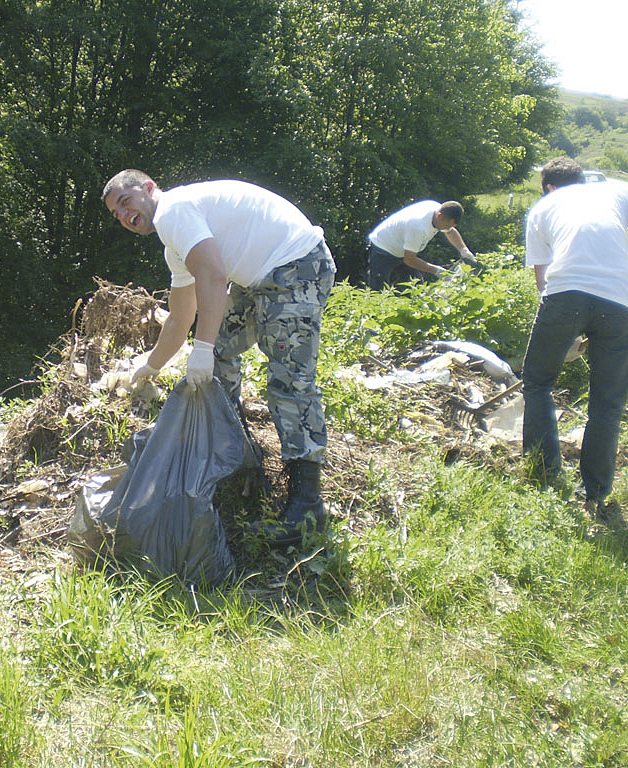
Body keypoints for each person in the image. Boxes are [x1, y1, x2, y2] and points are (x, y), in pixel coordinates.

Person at [102, 170, 336, 545]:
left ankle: (307, 506)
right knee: (223, 347)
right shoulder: (173, 242)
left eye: (126, 201)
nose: (125, 215)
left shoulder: (172, 211)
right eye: (117, 214)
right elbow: (181, 317)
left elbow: (212, 274)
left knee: (289, 381)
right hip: (261, 278)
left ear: (148, 188)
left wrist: (203, 351)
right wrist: (152, 366)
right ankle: (233, 447)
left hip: (296, 268)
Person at [522, 157, 628, 515]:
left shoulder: (542, 208)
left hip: (565, 293)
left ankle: (544, 474)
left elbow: (543, 279)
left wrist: (563, 336)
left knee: (537, 382)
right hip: (621, 299)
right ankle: (595, 493)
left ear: (548, 186)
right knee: (608, 403)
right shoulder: (614, 190)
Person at [366, 199, 477, 289]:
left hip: (404, 249)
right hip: (383, 248)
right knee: (378, 289)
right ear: (439, 216)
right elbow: (409, 260)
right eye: (447, 225)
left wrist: (464, 250)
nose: (447, 229)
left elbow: (450, 231)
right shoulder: (418, 226)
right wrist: (437, 270)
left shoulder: (439, 211)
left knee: (415, 286)